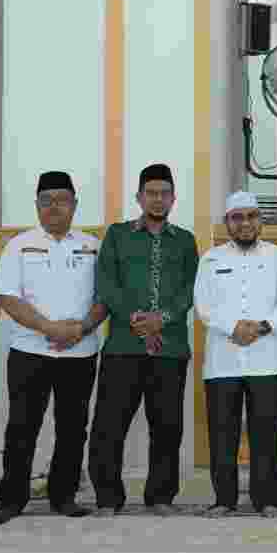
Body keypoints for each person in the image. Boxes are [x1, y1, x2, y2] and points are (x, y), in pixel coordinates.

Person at [0, 171, 107, 524]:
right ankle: (12, 499)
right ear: (37, 205)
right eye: (47, 200)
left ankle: (63, 496)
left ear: (74, 205)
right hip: (29, 351)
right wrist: (49, 327)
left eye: (62, 200)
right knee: (22, 427)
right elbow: (8, 297)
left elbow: (104, 298)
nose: (55, 207)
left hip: (80, 351)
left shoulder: (92, 245)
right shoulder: (18, 245)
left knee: (72, 428)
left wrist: (80, 328)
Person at [90, 164, 199, 517]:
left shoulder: (184, 240)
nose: (158, 199)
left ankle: (161, 496)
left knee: (167, 427)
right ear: (139, 197)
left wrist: (162, 319)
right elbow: (106, 284)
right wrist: (136, 319)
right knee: (109, 425)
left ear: (173, 198)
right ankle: (108, 497)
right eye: (151, 192)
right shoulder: (118, 235)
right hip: (123, 345)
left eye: (164, 193)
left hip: (171, 350)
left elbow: (190, 290)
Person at [194, 191, 277, 516]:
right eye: (238, 217)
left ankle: (268, 499)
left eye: (252, 216)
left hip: (265, 357)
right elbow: (203, 307)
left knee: (265, 433)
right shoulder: (211, 259)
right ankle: (225, 499)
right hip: (223, 359)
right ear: (227, 223)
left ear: (260, 221)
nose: (246, 223)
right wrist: (234, 327)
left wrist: (262, 328)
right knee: (223, 434)